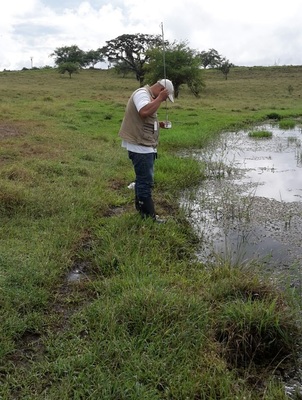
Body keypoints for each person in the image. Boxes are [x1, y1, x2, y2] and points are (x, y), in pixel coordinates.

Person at [119, 79, 174, 222]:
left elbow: (145, 116)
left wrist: (158, 123)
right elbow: (144, 112)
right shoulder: (142, 94)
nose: (164, 100)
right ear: (161, 89)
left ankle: (141, 211)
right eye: (165, 97)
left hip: (142, 145)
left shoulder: (148, 95)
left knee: (141, 179)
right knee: (145, 182)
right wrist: (160, 99)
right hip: (140, 146)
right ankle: (149, 218)